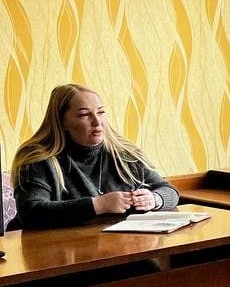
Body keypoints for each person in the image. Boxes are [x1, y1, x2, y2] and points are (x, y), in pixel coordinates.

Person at [11, 83, 178, 228]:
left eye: (101, 112)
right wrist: (99, 204)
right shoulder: (37, 159)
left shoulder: (125, 154)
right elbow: (31, 212)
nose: (97, 122)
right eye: (84, 115)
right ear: (62, 122)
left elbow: (169, 191)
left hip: (117, 246)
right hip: (54, 251)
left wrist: (155, 199)